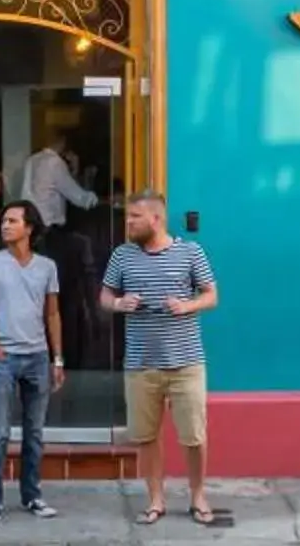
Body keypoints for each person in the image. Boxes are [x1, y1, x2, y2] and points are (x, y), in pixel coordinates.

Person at [99, 191, 219, 526]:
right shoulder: (122, 256)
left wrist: (187, 305)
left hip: (186, 364)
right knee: (146, 436)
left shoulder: (189, 252)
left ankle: (198, 496)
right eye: (127, 216)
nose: (128, 222)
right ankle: (155, 500)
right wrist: (118, 304)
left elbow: (211, 294)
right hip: (140, 364)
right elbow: (105, 295)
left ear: (155, 219)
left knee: (194, 436)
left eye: (135, 216)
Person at [0, 199, 62, 526]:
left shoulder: (47, 267)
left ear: (29, 228)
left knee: (34, 433)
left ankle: (32, 495)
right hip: (4, 358)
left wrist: (57, 358)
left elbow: (52, 314)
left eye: (12, 221)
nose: (6, 225)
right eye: (4, 221)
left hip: (37, 357)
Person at [19, 130, 102, 364]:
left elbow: (26, 194)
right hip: (51, 233)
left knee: (35, 293)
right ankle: (62, 349)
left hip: (32, 232)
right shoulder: (55, 163)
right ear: (63, 144)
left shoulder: (31, 161)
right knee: (58, 294)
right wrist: (96, 198)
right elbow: (78, 197)